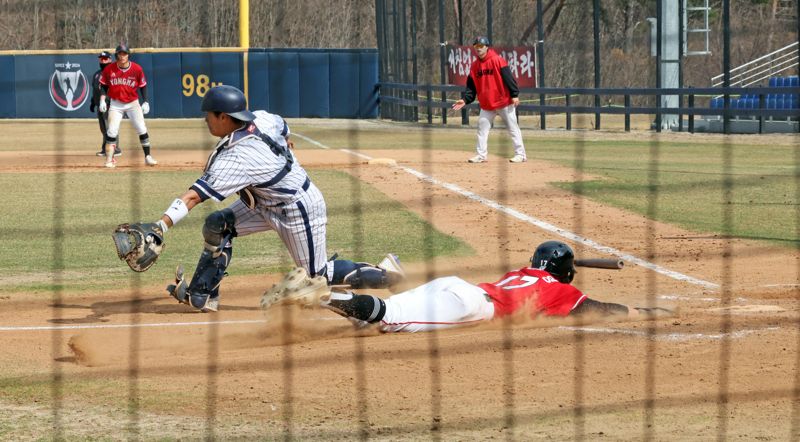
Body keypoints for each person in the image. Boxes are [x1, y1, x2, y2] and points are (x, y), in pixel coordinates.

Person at [143, 85, 405, 312]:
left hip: (297, 208)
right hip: (264, 203)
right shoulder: (262, 118)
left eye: (208, 115)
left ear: (223, 117)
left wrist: (160, 226)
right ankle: (203, 294)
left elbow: (193, 197)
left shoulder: (239, 158)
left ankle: (389, 275)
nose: (205, 120)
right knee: (218, 224)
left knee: (318, 276)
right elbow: (283, 125)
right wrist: (287, 140)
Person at [263, 240, 672, 332]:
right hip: (469, 306)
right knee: (388, 319)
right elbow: (603, 309)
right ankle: (323, 294)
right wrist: (648, 313)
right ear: (566, 272)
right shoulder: (561, 289)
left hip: (455, 286)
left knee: (371, 323)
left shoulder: (523, 272)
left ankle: (330, 295)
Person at [451, 36, 527, 164]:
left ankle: (521, 154)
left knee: (512, 128)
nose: (478, 49)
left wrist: (514, 94)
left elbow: (509, 78)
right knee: (482, 129)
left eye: (481, 46)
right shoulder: (474, 66)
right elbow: (471, 87)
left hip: (504, 102)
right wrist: (465, 100)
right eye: (476, 46)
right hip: (487, 105)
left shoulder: (497, 60)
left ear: (487, 47)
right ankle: (481, 155)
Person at [98, 44, 156, 168]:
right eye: (120, 53)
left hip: (132, 103)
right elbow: (103, 85)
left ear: (128, 55)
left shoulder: (136, 69)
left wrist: (145, 101)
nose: (122, 56)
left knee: (141, 128)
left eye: (125, 53)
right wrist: (102, 100)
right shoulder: (109, 69)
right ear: (116, 55)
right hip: (116, 103)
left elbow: (143, 85)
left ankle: (148, 157)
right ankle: (109, 159)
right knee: (112, 131)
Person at [89, 51, 121, 158]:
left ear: (110, 59)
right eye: (101, 58)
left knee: (111, 127)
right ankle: (105, 148)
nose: (103, 60)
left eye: (105, 58)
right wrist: (93, 102)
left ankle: (115, 148)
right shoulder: (97, 74)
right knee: (103, 129)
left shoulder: (114, 73)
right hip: (100, 106)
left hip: (110, 105)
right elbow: (95, 90)